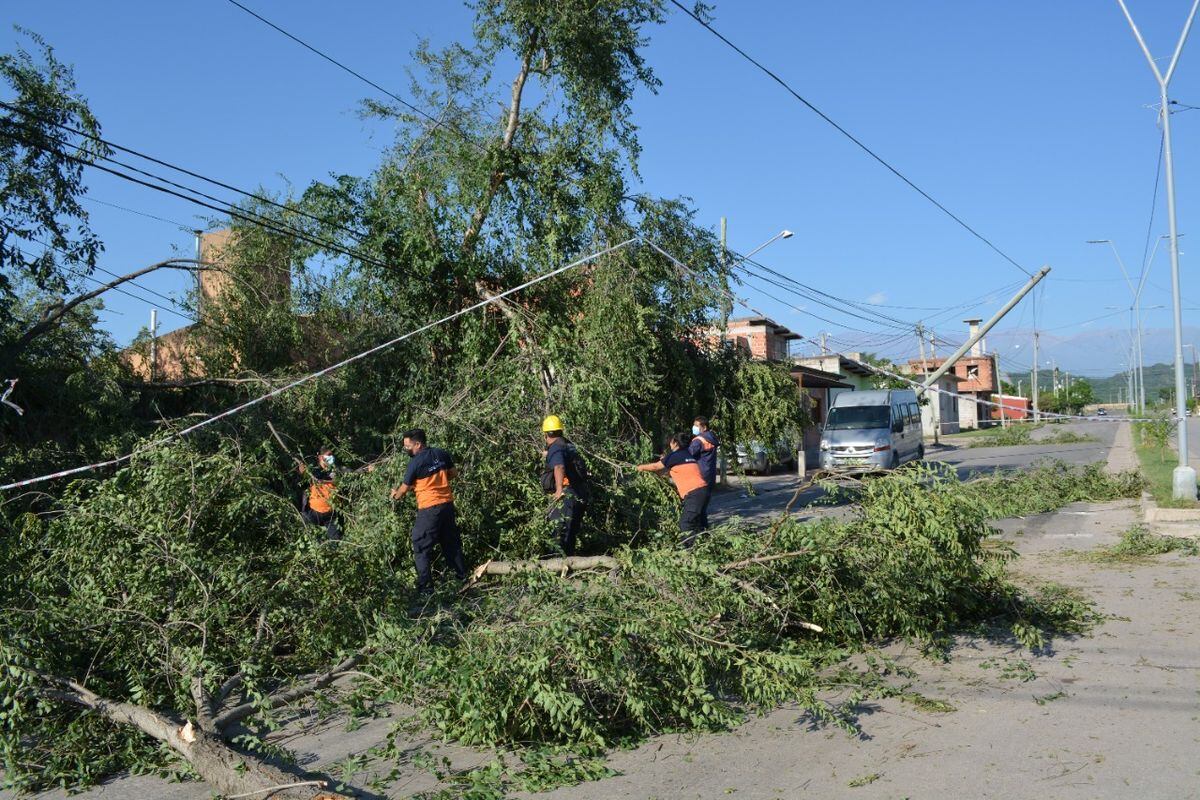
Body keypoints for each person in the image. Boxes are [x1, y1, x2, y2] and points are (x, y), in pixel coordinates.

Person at [390, 429, 467, 595]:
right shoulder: (441, 453)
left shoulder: (415, 462)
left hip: (429, 509)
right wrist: (436, 483)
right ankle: (462, 580)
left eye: (408, 446)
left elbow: (403, 489)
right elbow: (453, 473)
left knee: (420, 546)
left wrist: (395, 496)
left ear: (418, 444)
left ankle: (426, 589)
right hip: (447, 505)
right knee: (451, 543)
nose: (407, 450)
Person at [636, 432, 709, 547]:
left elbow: (656, 467)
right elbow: (666, 472)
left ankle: (690, 552)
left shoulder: (674, 455)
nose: (670, 444)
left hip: (694, 493)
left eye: (671, 441)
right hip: (702, 491)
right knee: (697, 523)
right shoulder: (688, 455)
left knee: (686, 523)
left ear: (674, 443)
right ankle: (705, 546)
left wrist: (640, 467)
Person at [541, 415, 589, 556]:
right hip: (579, 493)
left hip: (567, 495)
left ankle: (554, 568)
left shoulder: (556, 448)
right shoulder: (566, 444)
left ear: (546, 434)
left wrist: (559, 490)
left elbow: (559, 467)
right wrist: (548, 453)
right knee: (569, 533)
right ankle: (566, 567)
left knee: (558, 532)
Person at [298, 446, 341, 541]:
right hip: (313, 512)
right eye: (329, 455)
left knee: (336, 541)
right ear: (321, 457)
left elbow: (351, 474)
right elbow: (303, 483)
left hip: (331, 514)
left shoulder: (336, 471)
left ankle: (331, 552)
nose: (332, 457)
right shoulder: (313, 471)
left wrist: (366, 470)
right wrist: (303, 473)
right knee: (310, 536)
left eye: (332, 455)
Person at [688, 416, 719, 529]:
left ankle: (701, 532)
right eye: (694, 425)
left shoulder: (698, 440)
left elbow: (688, 455)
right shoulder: (712, 438)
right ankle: (704, 533)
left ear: (704, 427)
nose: (694, 428)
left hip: (699, 476)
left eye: (696, 426)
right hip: (709, 476)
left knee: (697, 508)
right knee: (703, 507)